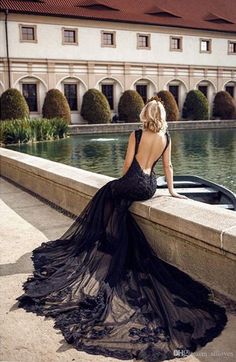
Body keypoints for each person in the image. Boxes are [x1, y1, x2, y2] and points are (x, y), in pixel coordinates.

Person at [16, 99, 227, 362]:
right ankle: (109, 239)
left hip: (132, 182)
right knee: (118, 204)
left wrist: (121, 182)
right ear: (161, 115)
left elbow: (127, 165)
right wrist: (172, 192)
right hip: (149, 187)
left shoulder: (137, 134)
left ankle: (102, 240)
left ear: (145, 114)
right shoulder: (166, 137)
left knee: (107, 192)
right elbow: (168, 168)